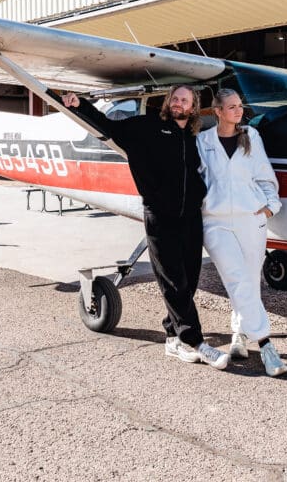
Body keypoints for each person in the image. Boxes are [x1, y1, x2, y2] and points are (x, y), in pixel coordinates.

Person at [62, 86, 230, 370]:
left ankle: (172, 337)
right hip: (160, 216)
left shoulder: (191, 137)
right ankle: (195, 342)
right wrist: (80, 105)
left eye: (184, 100)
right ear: (168, 102)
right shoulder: (147, 126)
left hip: (190, 216)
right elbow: (109, 127)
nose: (178, 103)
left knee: (189, 278)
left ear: (193, 107)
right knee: (173, 280)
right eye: (175, 98)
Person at [196, 88, 287, 377]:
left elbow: (264, 174)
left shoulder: (251, 136)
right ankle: (266, 345)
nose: (239, 111)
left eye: (240, 106)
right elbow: (196, 178)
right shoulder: (203, 141)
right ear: (218, 111)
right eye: (232, 107)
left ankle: (238, 335)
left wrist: (271, 205)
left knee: (248, 280)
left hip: (251, 219)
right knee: (236, 277)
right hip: (216, 220)